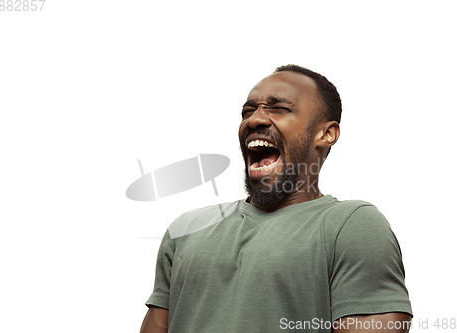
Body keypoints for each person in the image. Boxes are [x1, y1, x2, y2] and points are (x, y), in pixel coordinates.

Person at [140, 65, 413, 333]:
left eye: (279, 108)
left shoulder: (352, 226)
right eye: (248, 111)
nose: (254, 120)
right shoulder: (186, 229)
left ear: (326, 134)